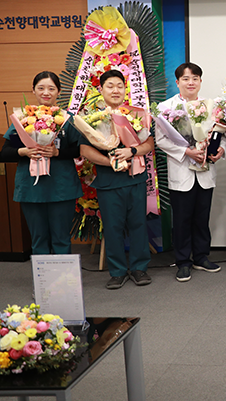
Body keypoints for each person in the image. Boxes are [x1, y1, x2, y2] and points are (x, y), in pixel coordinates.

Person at [80, 69, 154, 290]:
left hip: (135, 178)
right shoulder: (91, 117)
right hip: (108, 181)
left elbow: (149, 144)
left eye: (120, 86)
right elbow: (84, 149)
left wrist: (132, 151)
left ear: (125, 89)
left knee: (139, 224)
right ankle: (117, 272)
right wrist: (109, 161)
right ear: (101, 89)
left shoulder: (136, 114)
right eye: (110, 86)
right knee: (112, 227)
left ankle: (140, 268)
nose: (115, 90)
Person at [155, 62, 225, 282]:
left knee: (202, 217)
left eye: (195, 78)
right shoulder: (166, 108)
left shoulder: (211, 106)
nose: (191, 82)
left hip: (205, 171)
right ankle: (183, 261)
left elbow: (221, 133)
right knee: (182, 219)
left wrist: (221, 150)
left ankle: (201, 257)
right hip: (182, 170)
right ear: (177, 82)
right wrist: (187, 151)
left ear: (200, 81)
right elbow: (161, 140)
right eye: (186, 79)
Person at [1, 71, 82, 255]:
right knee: (38, 239)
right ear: (33, 90)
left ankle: (63, 275)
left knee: (62, 239)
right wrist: (24, 151)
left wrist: (57, 152)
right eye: (41, 88)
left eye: (51, 89)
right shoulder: (23, 120)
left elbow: (79, 150)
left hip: (61, 187)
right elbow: (5, 152)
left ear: (59, 92)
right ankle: (43, 275)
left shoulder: (67, 119)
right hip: (31, 188)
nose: (46, 92)